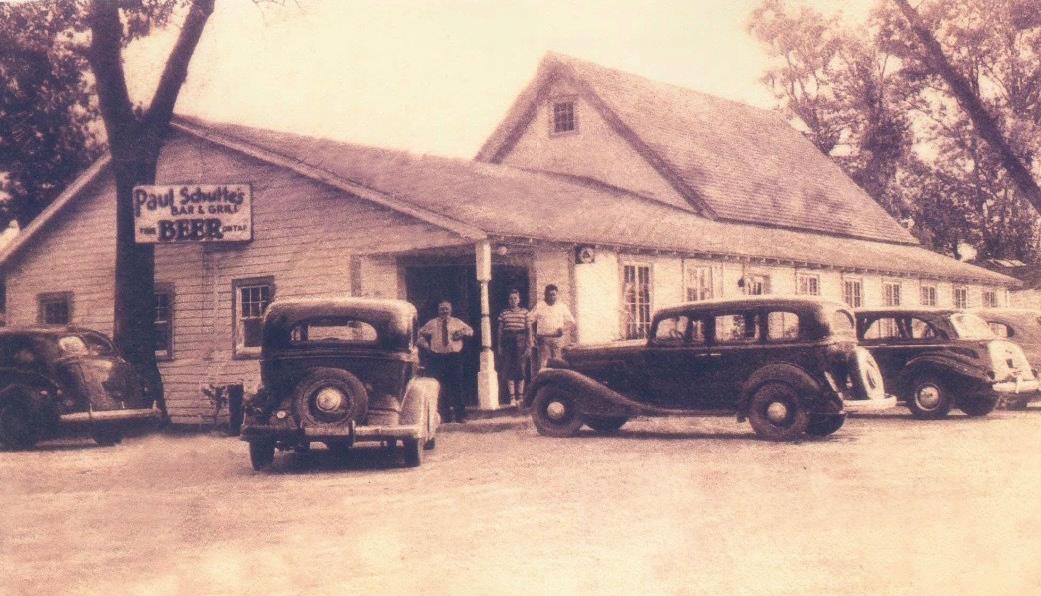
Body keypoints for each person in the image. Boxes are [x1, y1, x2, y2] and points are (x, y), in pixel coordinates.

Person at [418, 300, 474, 423]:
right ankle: (445, 416)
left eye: (446, 309)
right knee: (441, 387)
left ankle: (460, 415)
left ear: (451, 310)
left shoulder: (457, 322)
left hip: (454, 357)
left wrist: (462, 333)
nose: (444, 311)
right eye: (442, 309)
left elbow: (470, 331)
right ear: (438, 311)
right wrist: (425, 344)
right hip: (438, 358)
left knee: (456, 385)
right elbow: (420, 333)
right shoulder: (432, 323)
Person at [529, 284, 575, 375]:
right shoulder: (540, 306)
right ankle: (545, 383)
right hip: (543, 340)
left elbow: (571, 322)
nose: (551, 297)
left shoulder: (562, 306)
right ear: (545, 295)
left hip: (558, 340)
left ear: (557, 295)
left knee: (558, 365)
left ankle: (557, 383)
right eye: (549, 295)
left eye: (553, 295)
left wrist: (563, 328)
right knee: (544, 365)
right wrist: (532, 335)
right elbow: (529, 321)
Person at [496, 289, 531, 406]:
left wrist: (529, 345)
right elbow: (500, 330)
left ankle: (520, 397)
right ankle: (512, 398)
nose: (513, 300)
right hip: (508, 341)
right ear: (508, 300)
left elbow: (529, 329)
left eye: (515, 298)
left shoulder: (525, 312)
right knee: (509, 368)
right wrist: (499, 345)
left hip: (521, 340)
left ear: (519, 299)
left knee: (521, 368)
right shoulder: (504, 313)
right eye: (511, 298)